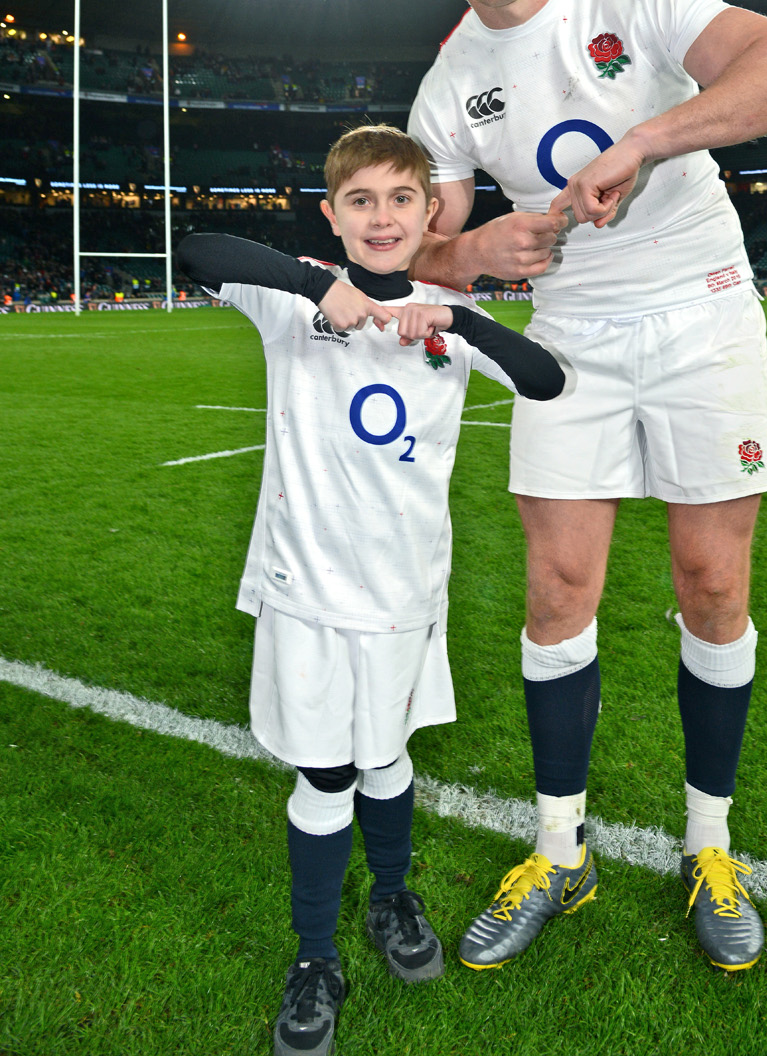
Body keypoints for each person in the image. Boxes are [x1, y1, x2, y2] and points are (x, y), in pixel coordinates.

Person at [400, 0, 767, 973]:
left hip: (703, 311)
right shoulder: (448, 83)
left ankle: (709, 843)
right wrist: (472, 248)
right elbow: (420, 246)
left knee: (713, 582)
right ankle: (560, 846)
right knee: (556, 592)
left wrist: (645, 136)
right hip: (571, 336)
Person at [176, 125, 564, 1056]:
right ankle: (315, 957)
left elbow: (546, 381)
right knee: (323, 772)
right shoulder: (291, 301)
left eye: (400, 199)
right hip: (304, 589)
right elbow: (193, 247)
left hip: (402, 592)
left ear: (429, 210)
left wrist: (460, 320)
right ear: (334, 216)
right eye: (361, 201)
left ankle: (392, 899)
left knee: (385, 761)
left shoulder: (445, 313)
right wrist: (322, 287)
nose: (382, 217)